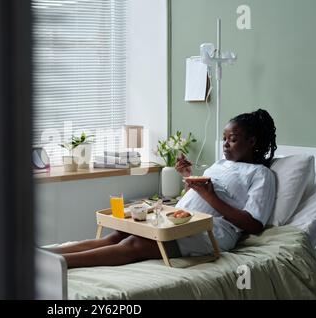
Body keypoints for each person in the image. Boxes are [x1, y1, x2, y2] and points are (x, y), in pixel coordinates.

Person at [49, 109, 277, 268]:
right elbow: (195, 198)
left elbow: (254, 224)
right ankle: (47, 255)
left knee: (135, 243)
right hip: (180, 219)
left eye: (232, 139)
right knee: (119, 234)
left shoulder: (261, 174)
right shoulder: (219, 165)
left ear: (252, 141)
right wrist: (188, 179)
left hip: (213, 232)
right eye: (224, 138)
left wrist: (210, 197)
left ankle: (61, 265)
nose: (225, 144)